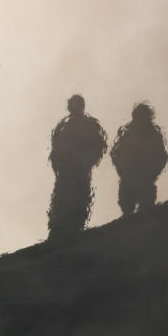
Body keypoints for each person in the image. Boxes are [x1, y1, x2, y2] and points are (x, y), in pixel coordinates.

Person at [47, 95, 107, 239]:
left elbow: (97, 147)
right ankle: (57, 236)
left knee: (77, 203)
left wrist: (83, 161)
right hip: (66, 174)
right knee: (62, 204)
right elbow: (56, 150)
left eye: (74, 104)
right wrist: (60, 165)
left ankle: (73, 233)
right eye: (71, 104)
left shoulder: (88, 125)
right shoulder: (63, 127)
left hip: (79, 173)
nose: (71, 107)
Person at [109, 103, 168, 216]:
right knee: (127, 210)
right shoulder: (127, 133)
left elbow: (162, 157)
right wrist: (122, 170)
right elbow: (115, 154)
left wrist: (152, 172)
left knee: (145, 211)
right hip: (129, 179)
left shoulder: (153, 135)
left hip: (145, 179)